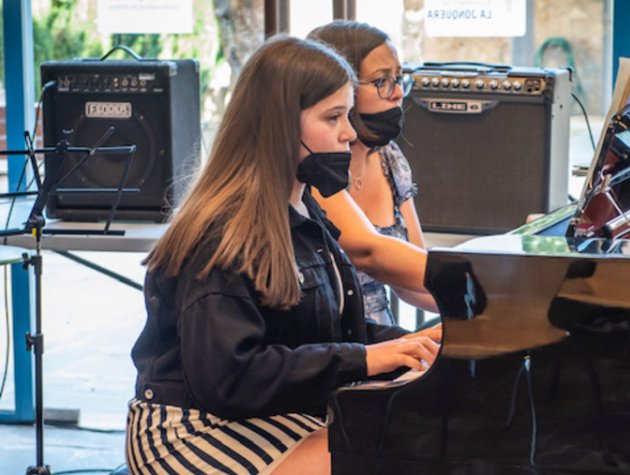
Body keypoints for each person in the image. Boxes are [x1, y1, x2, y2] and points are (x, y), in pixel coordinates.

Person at [125, 35, 441, 475]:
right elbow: (228, 378)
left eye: (348, 115)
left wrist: (409, 346)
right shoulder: (222, 233)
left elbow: (321, 330)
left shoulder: (302, 208)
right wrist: (365, 359)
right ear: (281, 125)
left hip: (260, 413)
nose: (350, 133)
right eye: (334, 118)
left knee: (416, 438)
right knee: (381, 455)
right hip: (196, 429)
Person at [307, 21, 438, 326]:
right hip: (338, 347)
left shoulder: (390, 158)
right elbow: (371, 254)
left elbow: (412, 279)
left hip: (382, 339)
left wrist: (488, 309)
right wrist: (480, 277)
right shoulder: (314, 167)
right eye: (382, 81)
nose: (397, 94)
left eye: (399, 78)